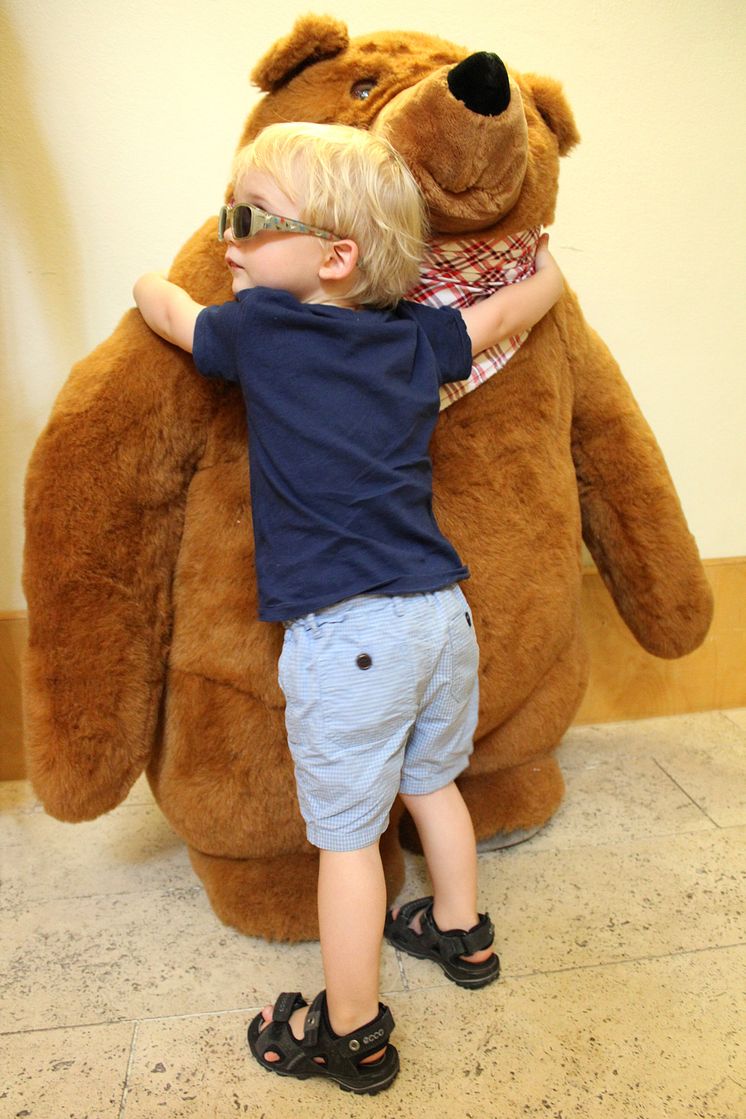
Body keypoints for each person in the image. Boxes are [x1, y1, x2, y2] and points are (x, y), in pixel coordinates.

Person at [134, 121, 564, 1095]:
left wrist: (145, 285)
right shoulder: (415, 338)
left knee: (346, 847)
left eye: (247, 219)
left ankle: (353, 1032)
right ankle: (463, 936)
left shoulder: (261, 331)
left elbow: (169, 312)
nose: (229, 238)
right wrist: (545, 278)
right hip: (437, 619)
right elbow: (503, 318)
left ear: (335, 257)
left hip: (347, 638)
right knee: (431, 785)